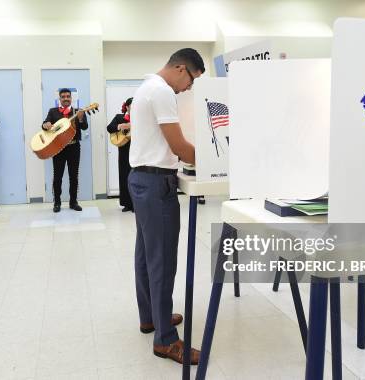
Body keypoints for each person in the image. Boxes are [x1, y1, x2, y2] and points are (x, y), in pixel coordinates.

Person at [128, 48, 204, 365]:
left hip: (142, 179)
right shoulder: (161, 92)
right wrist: (218, 162)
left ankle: (151, 318)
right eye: (191, 79)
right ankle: (166, 341)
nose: (189, 88)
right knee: (162, 261)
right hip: (156, 184)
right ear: (179, 67)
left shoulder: (146, 87)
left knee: (147, 255)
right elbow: (180, 147)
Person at [42, 88, 87, 213]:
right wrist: (45, 125)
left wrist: (81, 119)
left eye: (68, 96)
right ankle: (57, 202)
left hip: (74, 147)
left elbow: (84, 127)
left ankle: (73, 202)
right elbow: (45, 124)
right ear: (60, 99)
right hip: (58, 148)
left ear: (71, 98)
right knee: (57, 177)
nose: (66, 98)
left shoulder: (78, 111)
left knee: (74, 176)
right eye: (63, 96)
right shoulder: (53, 111)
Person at [106, 97, 134, 212]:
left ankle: (136, 204)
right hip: (124, 151)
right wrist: (119, 126)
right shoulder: (119, 117)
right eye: (133, 105)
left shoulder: (141, 118)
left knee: (136, 178)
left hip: (138, 152)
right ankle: (127, 204)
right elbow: (109, 128)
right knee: (124, 176)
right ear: (127, 107)